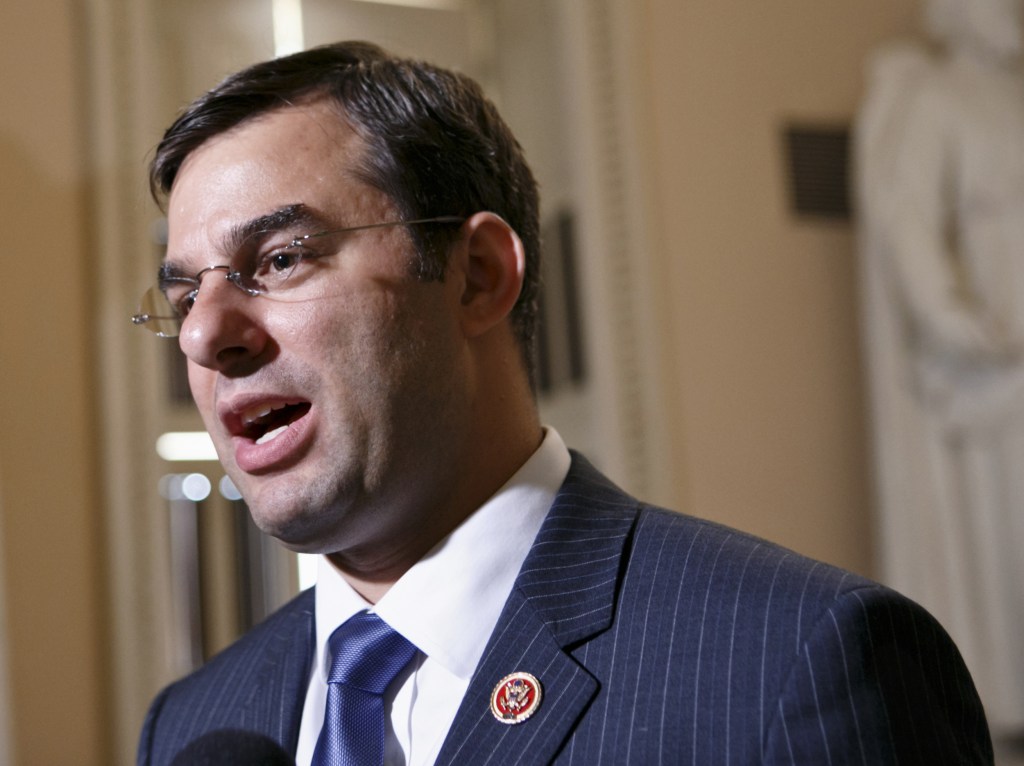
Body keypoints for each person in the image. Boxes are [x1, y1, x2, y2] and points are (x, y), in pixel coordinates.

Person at [135, 41, 992, 765]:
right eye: (182, 300)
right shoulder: (194, 724)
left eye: (282, 259)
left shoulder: (803, 662)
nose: (207, 337)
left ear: (478, 276)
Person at [856, 0, 1024, 740]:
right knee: (1004, 541)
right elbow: (908, 220)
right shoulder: (934, 95)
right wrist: (957, 320)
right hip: (996, 370)